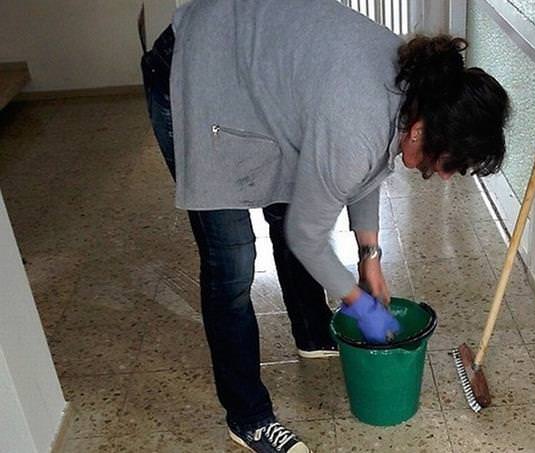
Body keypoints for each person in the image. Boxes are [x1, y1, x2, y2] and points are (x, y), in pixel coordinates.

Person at [141, 0, 509, 451]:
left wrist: (369, 257)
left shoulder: (416, 87)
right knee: (231, 262)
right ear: (421, 130)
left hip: (256, 71)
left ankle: (313, 331)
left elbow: (368, 165)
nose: (446, 175)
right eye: (450, 162)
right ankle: (248, 416)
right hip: (194, 71)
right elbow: (308, 233)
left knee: (292, 198)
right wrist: (361, 306)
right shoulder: (355, 122)